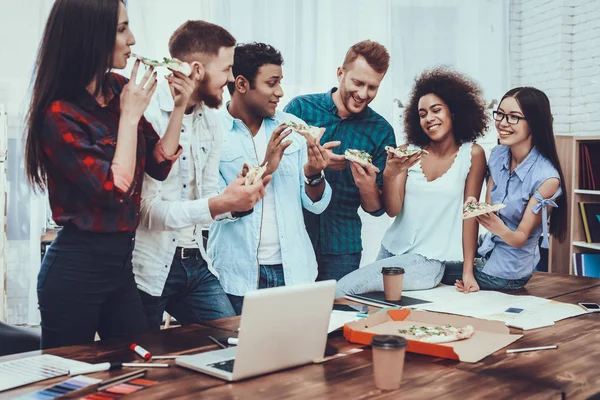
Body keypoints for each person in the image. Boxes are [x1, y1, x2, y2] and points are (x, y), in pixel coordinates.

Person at [25, 0, 185, 348]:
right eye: (122, 29)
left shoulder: (116, 88)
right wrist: (129, 118)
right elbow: (114, 190)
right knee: (67, 379)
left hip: (119, 266)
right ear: (91, 36)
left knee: (139, 366)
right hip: (74, 271)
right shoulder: (58, 115)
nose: (133, 40)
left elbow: (158, 164)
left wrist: (179, 108)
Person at [132, 21, 270, 330]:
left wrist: (236, 200)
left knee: (236, 341)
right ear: (196, 70)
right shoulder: (148, 116)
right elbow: (147, 213)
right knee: (142, 359)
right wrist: (218, 203)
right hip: (148, 269)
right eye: (226, 69)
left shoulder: (211, 121)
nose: (232, 79)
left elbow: (208, 197)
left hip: (196, 264)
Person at [336, 67, 488, 298]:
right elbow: (393, 210)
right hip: (390, 251)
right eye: (423, 114)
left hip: (429, 261)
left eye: (436, 110)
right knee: (362, 308)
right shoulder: (407, 152)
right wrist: (389, 173)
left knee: (345, 289)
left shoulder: (472, 154)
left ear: (454, 112)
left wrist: (468, 271)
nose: (429, 118)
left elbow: (471, 216)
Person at [208, 43, 333, 315]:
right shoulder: (212, 132)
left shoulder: (293, 128)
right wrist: (266, 168)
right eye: (271, 83)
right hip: (237, 276)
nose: (280, 93)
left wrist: (314, 173)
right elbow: (215, 209)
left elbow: (316, 204)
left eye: (280, 82)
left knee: (299, 354)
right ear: (241, 84)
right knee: (241, 355)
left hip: (295, 274)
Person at [284, 40, 396, 281]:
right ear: (340, 73)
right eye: (358, 83)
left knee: (339, 316)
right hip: (293, 238)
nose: (363, 94)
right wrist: (312, 163)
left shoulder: (382, 131)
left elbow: (376, 210)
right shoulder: (300, 109)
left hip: (343, 246)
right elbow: (276, 169)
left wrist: (367, 186)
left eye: (372, 87)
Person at [447, 87, 567, 292]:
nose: (502, 123)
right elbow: (490, 207)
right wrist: (476, 207)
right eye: (500, 114)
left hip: (509, 273)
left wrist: (497, 227)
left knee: (436, 271)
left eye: (513, 117)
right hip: (487, 253)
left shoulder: (547, 178)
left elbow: (520, 238)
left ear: (535, 123)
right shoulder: (498, 155)